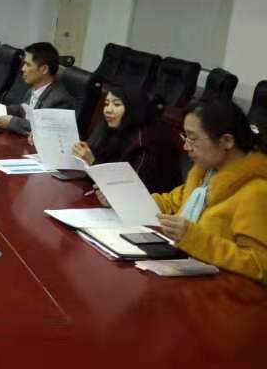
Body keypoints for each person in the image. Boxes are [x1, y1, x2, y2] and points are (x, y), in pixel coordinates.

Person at [152, 99, 267, 284]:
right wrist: (122, 198)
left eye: (192, 138)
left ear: (226, 141)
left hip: (220, 293)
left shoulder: (257, 192)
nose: (186, 146)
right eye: (185, 137)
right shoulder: (206, 173)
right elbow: (171, 202)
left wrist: (195, 238)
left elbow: (259, 265)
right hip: (186, 278)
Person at [72, 86, 182, 192]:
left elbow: (133, 188)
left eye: (116, 104)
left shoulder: (145, 142)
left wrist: (92, 162)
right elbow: (105, 160)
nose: (107, 110)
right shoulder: (116, 128)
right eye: (106, 104)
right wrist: (87, 152)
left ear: (133, 108)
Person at [0, 42, 73, 135]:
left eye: (28, 64)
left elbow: (43, 130)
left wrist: (12, 122)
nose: (23, 69)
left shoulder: (60, 100)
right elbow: (24, 110)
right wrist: (2, 110)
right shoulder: (35, 87)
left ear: (44, 69)